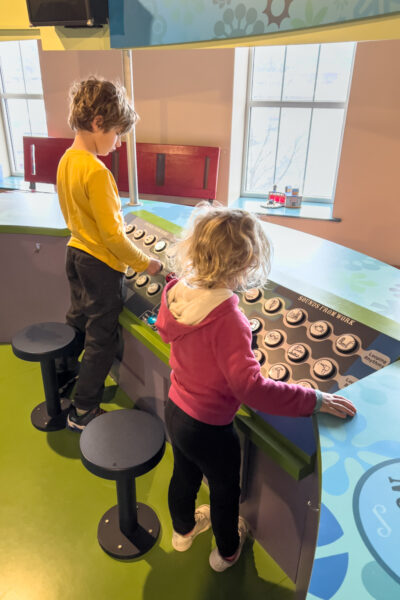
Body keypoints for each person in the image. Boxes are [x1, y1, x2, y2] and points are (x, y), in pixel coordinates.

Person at [155, 205, 357, 572]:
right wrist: (314, 399)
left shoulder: (178, 293)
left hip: (175, 407)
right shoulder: (229, 320)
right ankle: (226, 553)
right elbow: (252, 389)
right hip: (210, 427)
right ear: (245, 265)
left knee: (183, 472)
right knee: (224, 490)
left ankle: (182, 532)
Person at [56, 76, 162, 432]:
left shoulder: (67, 160)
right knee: (102, 338)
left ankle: (63, 379)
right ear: (98, 123)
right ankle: (83, 410)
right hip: (100, 264)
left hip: (74, 253)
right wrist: (147, 263)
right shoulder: (97, 172)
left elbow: (72, 215)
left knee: (76, 321)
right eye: (117, 133)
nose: (118, 143)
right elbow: (114, 238)